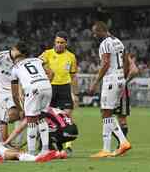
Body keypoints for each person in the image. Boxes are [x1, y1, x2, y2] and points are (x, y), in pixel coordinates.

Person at [89, 21, 131, 158]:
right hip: (120, 79)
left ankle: (106, 149)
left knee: (106, 113)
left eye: (95, 32)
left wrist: (96, 81)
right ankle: (122, 143)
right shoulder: (118, 41)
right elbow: (126, 60)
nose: (94, 35)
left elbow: (106, 63)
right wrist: (122, 76)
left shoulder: (105, 43)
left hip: (111, 80)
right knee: (106, 113)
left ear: (101, 30)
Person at [40, 31, 79, 155]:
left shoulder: (71, 57)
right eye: (57, 42)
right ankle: (48, 143)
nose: (59, 44)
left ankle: (67, 145)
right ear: (54, 42)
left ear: (66, 43)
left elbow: (73, 77)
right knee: (48, 118)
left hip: (65, 88)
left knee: (66, 117)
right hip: (49, 88)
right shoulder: (47, 54)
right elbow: (36, 63)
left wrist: (75, 94)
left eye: (62, 42)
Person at [10, 42, 53, 157]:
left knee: (31, 120)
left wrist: (20, 109)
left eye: (13, 50)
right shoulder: (37, 60)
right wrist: (43, 82)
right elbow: (51, 73)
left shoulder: (15, 68)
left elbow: (14, 94)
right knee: (42, 118)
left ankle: (31, 152)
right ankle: (45, 150)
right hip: (47, 87)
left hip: (33, 89)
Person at [4, 107, 78, 154]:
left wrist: (6, 142)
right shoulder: (46, 108)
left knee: (43, 134)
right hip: (74, 132)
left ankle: (51, 152)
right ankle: (60, 151)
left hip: (65, 132)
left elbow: (19, 129)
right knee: (47, 130)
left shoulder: (34, 111)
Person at [113, 53, 139, 148]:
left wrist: (125, 81)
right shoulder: (122, 55)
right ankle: (122, 143)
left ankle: (122, 144)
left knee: (109, 118)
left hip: (116, 90)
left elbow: (135, 71)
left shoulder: (121, 56)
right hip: (120, 91)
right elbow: (135, 70)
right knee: (119, 119)